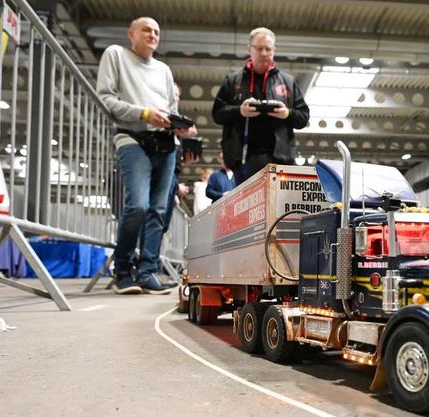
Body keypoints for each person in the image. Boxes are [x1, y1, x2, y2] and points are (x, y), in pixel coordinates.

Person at [97, 17, 195, 295]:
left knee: (159, 211)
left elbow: (171, 108)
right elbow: (106, 98)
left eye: (156, 31)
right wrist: (143, 113)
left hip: (166, 144)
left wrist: (182, 127)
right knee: (137, 206)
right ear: (131, 34)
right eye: (146, 30)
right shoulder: (116, 55)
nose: (152, 35)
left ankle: (147, 270)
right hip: (132, 138)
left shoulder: (163, 70)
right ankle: (123, 268)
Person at [212, 27, 310, 184]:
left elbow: (303, 117)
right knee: (247, 207)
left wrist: (286, 113)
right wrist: (240, 111)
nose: (264, 53)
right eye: (259, 48)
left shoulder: (288, 82)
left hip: (280, 159)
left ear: (274, 50)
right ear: (249, 49)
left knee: (277, 208)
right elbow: (217, 114)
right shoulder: (233, 81)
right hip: (243, 158)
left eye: (268, 49)